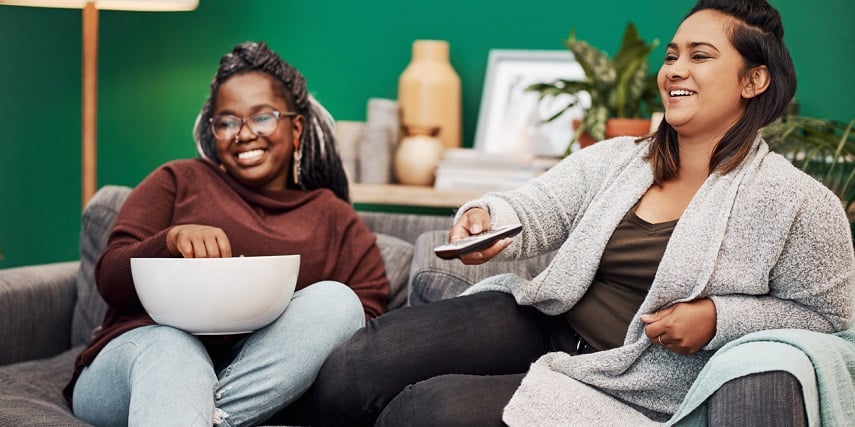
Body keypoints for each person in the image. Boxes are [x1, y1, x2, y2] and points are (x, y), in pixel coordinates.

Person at [308, 0, 855, 425]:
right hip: (547, 322)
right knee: (365, 362)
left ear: (753, 80)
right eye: (671, 55)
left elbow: (834, 327)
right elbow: (539, 205)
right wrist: (490, 216)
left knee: (425, 412)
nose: (674, 70)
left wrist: (720, 319)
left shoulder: (800, 204)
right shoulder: (622, 158)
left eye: (700, 56)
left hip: (632, 382)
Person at [63, 41, 390, 426]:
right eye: (227, 121)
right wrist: (169, 241)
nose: (244, 133)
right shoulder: (177, 180)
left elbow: (363, 324)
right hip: (138, 362)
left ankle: (202, 415)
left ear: (296, 128)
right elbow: (110, 277)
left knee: (338, 302)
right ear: (213, 131)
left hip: (258, 382)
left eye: (263, 117)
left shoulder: (334, 218)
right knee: (175, 347)